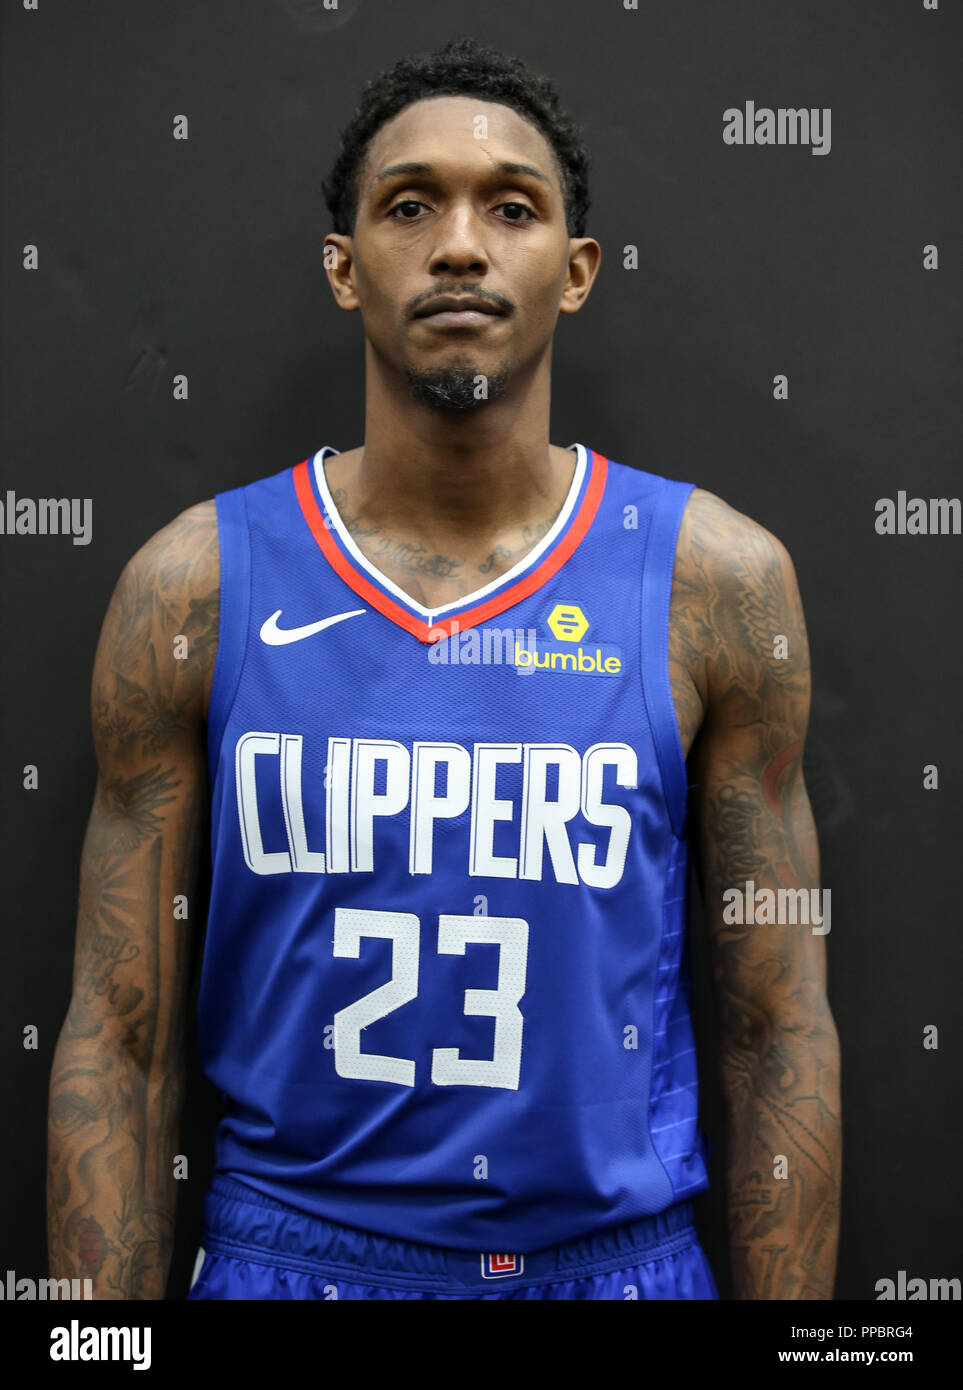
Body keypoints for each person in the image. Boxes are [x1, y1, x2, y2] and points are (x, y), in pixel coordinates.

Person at [46, 37, 840, 1301]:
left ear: (575, 273)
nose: (460, 245)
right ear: (344, 265)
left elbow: (777, 1026)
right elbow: (119, 1037)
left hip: (612, 1264)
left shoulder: (717, 585)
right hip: (290, 1255)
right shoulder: (192, 588)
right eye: (410, 205)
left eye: (510, 208)